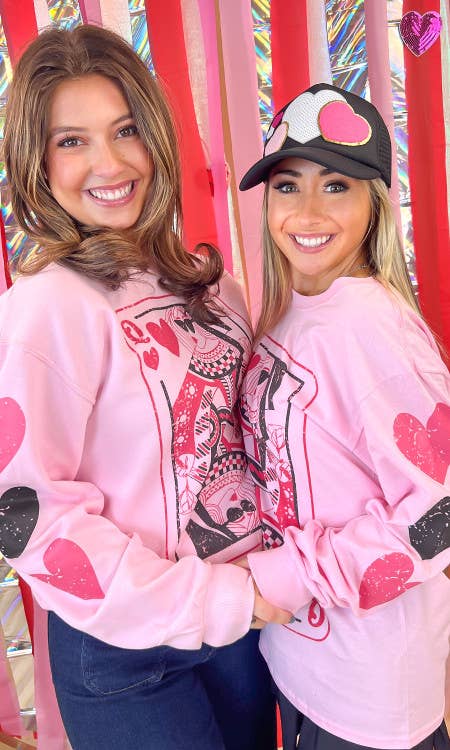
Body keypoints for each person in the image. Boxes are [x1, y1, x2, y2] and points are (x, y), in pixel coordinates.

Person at [0, 24, 290, 750]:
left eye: (125, 129)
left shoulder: (212, 286)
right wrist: (216, 600)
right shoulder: (47, 307)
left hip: (241, 629)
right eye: (72, 141)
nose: (110, 163)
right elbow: (26, 516)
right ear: (37, 161)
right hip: (129, 652)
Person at [238, 82, 450, 750]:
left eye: (336, 186)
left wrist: (285, 578)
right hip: (301, 662)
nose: (307, 211)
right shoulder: (291, 312)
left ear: (374, 203)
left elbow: (439, 514)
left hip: (369, 693)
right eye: (287, 185)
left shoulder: (369, 328)